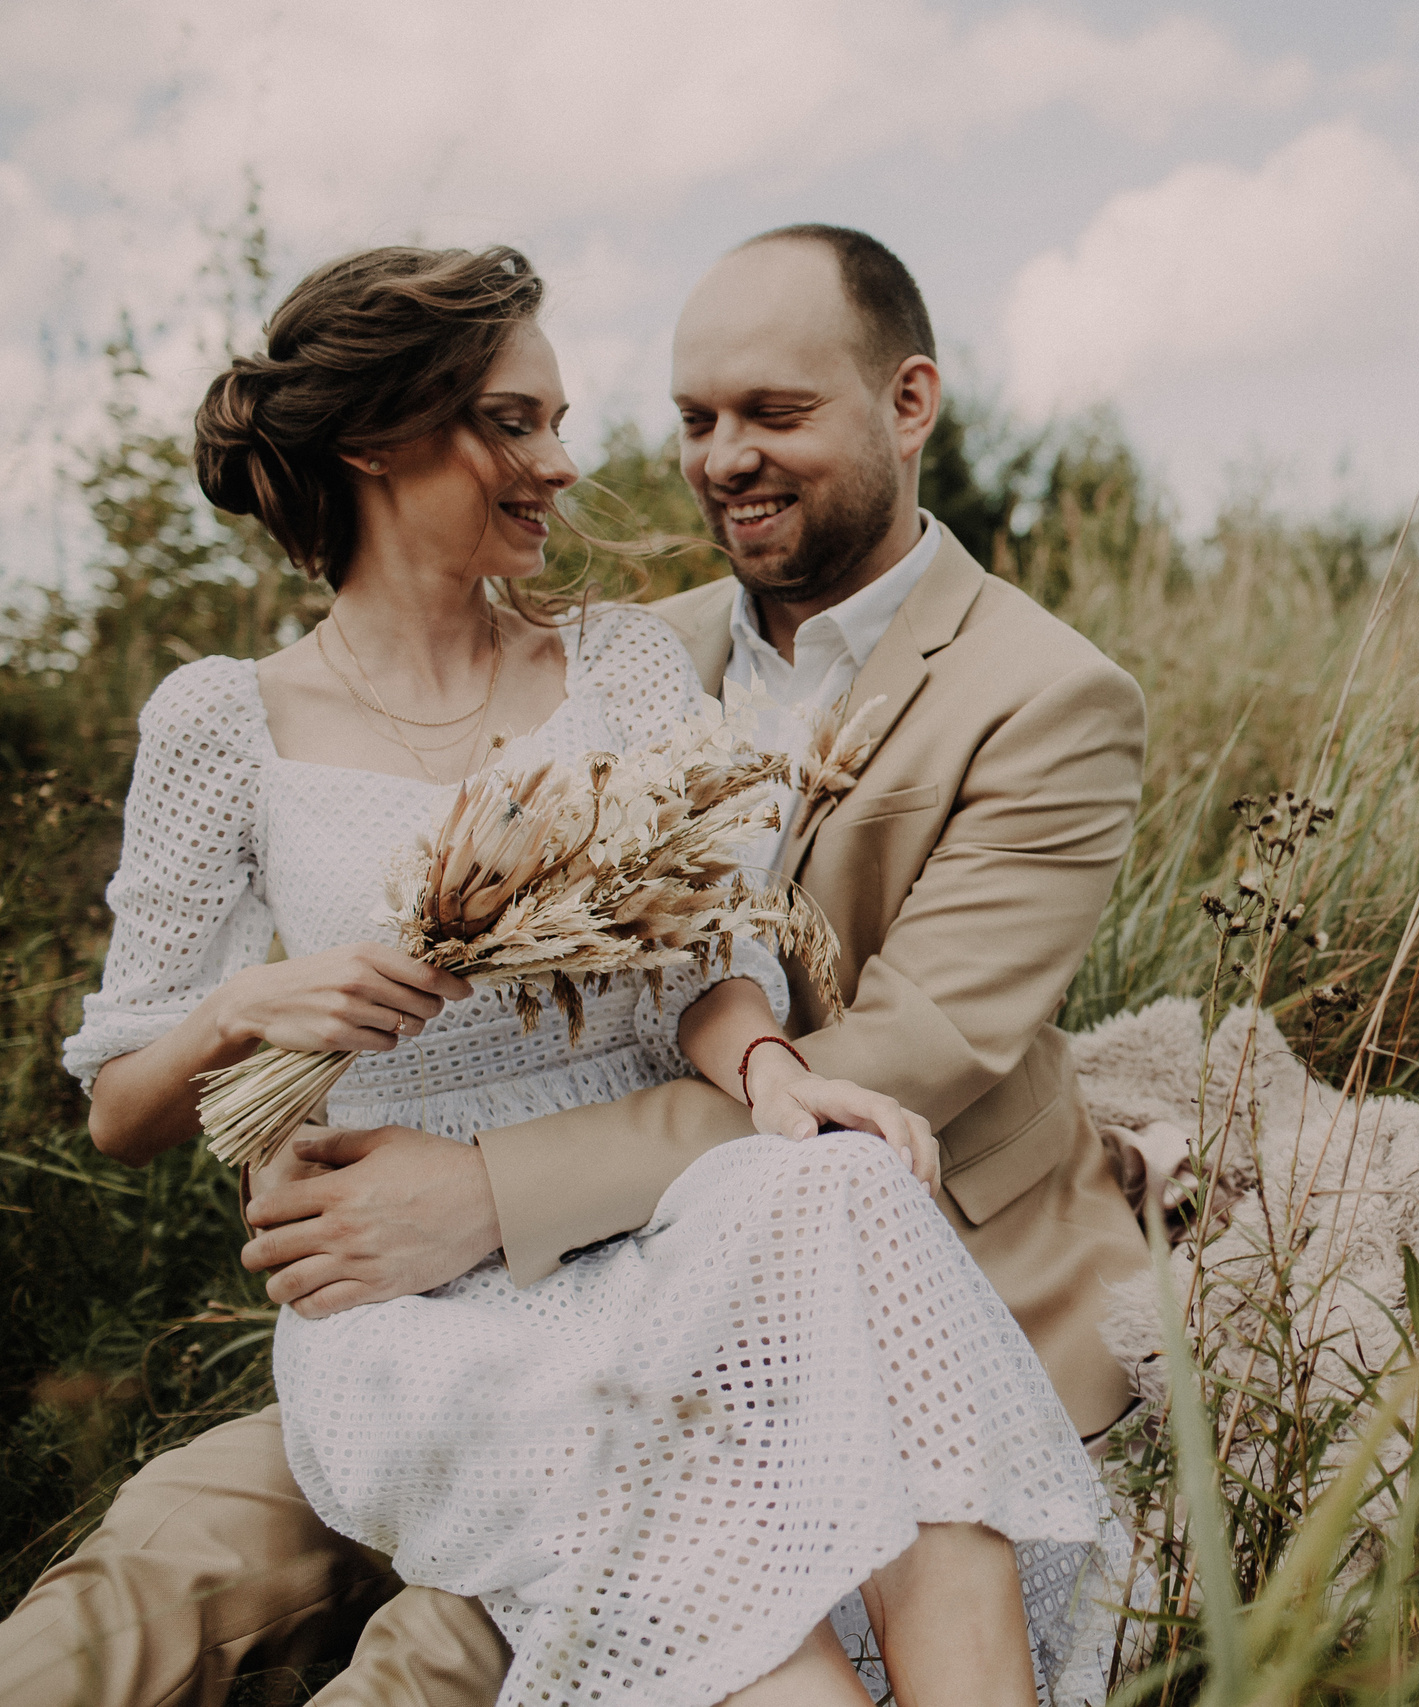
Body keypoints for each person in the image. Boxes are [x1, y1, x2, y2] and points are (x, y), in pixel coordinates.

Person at [0, 242, 1129, 1707]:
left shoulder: (1004, 694)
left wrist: (534, 1173)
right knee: (143, 1582)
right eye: (685, 420)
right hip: (403, 1314)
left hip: (679, 1250)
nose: (592, 465)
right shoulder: (246, 719)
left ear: (908, 404)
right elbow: (129, 1096)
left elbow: (769, 993)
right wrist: (247, 1013)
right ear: (377, 443)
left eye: (770, 413)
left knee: (463, 1650)